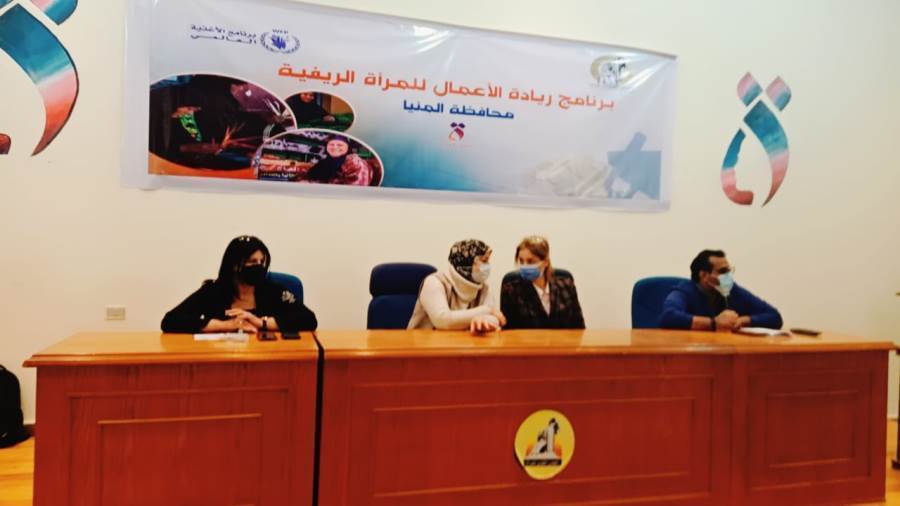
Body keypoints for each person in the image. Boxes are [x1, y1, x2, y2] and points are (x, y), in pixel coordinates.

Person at [161, 235, 317, 333]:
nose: (259, 266)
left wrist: (261, 322)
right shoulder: (213, 291)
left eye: (262, 262)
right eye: (252, 262)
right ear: (235, 265)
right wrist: (227, 325)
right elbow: (170, 321)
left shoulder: (273, 290)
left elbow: (309, 319)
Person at [660, 249, 782, 331]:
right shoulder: (684, 291)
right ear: (703, 275)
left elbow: (774, 317)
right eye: (723, 271)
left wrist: (743, 320)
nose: (728, 276)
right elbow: (668, 316)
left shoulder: (732, 289)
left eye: (729, 270)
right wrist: (714, 323)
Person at [408, 239, 506, 334]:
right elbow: (442, 320)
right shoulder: (434, 282)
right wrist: (486, 311)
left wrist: (484, 322)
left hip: (463, 343)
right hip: (424, 343)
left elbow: (496, 317)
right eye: (484, 260)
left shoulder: (483, 287)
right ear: (466, 263)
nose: (488, 265)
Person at [501, 236, 585, 329]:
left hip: (564, 338)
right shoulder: (512, 289)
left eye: (530, 261)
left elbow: (578, 325)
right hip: (528, 339)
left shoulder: (565, 284)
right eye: (521, 261)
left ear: (545, 262)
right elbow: (508, 331)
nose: (524, 266)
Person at [305, 134, 372, 186]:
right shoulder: (326, 161)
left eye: (340, 145)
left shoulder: (354, 162)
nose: (335, 147)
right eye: (331, 144)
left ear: (348, 148)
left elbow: (356, 188)